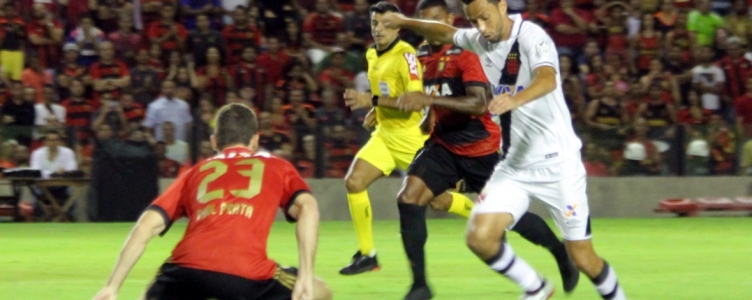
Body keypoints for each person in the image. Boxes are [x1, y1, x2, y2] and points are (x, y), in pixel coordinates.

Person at [383, 0, 627, 299]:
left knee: (583, 258)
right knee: (480, 237)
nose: (481, 28)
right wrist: (403, 21)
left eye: (485, 18)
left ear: (501, 6)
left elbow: (548, 78)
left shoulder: (531, 36)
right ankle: (537, 289)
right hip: (514, 166)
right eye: (474, 22)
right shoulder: (477, 39)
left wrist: (515, 99)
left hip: (558, 165)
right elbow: (443, 31)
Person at [92, 103, 332, 300]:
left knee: (151, 294)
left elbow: (145, 226)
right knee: (320, 291)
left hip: (186, 270)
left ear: (215, 142)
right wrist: (305, 274)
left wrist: (112, 286)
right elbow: (308, 207)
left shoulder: (195, 173)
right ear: (255, 141)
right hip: (246, 274)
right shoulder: (277, 167)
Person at [338, 1, 430, 277]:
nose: (378, 29)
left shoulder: (407, 56)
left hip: (411, 137)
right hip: (385, 136)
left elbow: (414, 102)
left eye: (385, 24)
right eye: (374, 23)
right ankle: (368, 255)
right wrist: (377, 112)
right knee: (354, 182)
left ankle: (487, 218)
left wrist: (372, 100)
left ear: (398, 26)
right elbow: (389, 95)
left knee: (439, 200)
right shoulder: (371, 55)